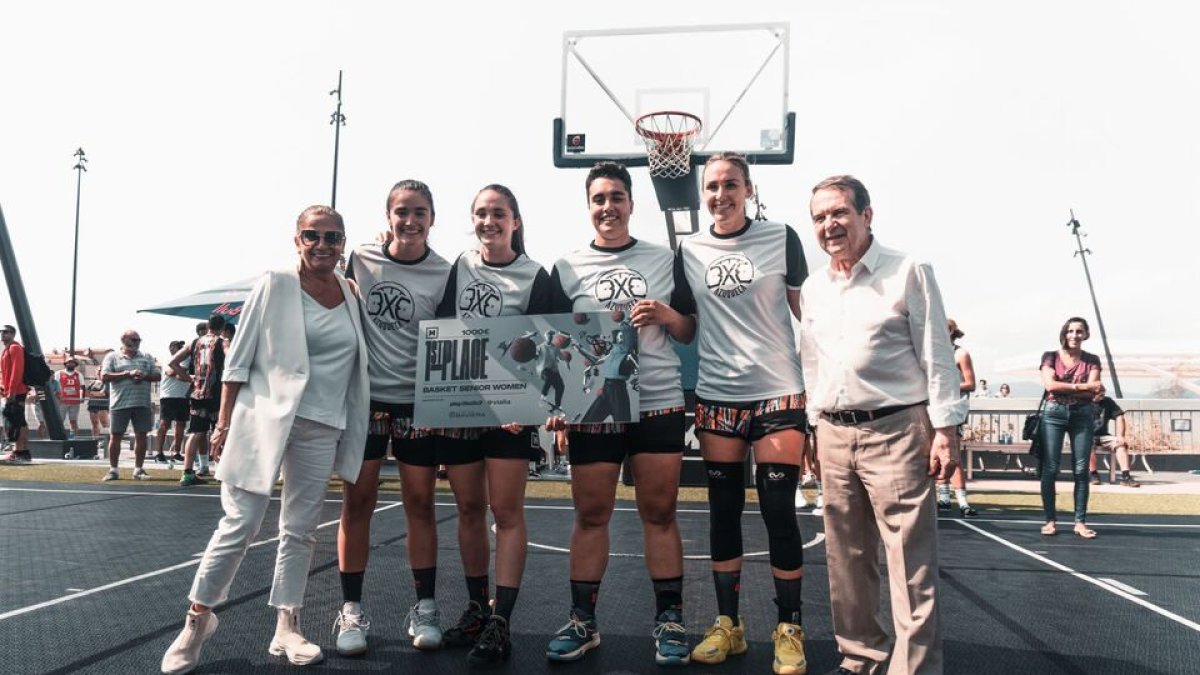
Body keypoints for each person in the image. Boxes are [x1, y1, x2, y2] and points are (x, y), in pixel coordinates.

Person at [160, 205, 369, 674]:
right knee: (240, 523)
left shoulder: (351, 292)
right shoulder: (274, 284)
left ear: (343, 244)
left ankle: (287, 625)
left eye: (332, 237)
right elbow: (238, 361)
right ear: (297, 240)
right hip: (263, 420)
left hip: (324, 424)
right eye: (312, 235)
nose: (322, 245)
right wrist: (223, 423)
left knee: (300, 530)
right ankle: (197, 620)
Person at [799, 174, 966, 675]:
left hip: (896, 430)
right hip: (833, 433)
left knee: (910, 564)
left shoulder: (908, 270)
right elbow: (812, 361)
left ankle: (913, 669)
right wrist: (814, 424)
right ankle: (861, 658)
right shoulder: (813, 287)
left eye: (839, 213)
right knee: (846, 560)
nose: (829, 225)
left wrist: (946, 430)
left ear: (866, 215)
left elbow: (937, 354)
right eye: (820, 217)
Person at [543, 161, 695, 667]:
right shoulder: (566, 266)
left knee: (660, 513)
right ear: (589, 206)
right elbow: (550, 340)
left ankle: (669, 621)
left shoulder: (664, 258)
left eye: (616, 197)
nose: (607, 207)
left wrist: (667, 315)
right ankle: (582, 621)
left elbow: (689, 329)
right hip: (595, 405)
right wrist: (556, 404)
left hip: (657, 399)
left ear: (631, 203)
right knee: (591, 514)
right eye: (599, 199)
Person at [674, 153, 809, 674]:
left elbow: (808, 314)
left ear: (749, 190)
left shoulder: (781, 237)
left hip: (778, 394)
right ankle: (728, 625)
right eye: (712, 186)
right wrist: (662, 314)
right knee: (723, 512)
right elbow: (687, 326)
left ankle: (789, 628)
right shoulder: (688, 249)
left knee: (778, 512)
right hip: (717, 397)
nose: (720, 194)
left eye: (731, 184)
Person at [427, 184, 552, 667]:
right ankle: (478, 609)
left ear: (515, 221)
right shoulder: (459, 266)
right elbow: (443, 332)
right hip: (461, 406)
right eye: (481, 213)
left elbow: (548, 347)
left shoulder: (535, 275)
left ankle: (502, 620)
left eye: (499, 213)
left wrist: (532, 403)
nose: (489, 221)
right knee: (467, 509)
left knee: (507, 511)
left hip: (509, 413)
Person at [334, 180, 452, 658]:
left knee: (420, 504)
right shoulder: (360, 259)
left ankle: (425, 607)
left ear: (432, 218)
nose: (410, 220)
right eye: (402, 211)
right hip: (365, 402)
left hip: (418, 404)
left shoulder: (445, 271)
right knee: (357, 503)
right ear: (388, 216)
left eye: (419, 212)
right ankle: (351, 609)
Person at [1038, 317, 1105, 539]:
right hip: (1053, 414)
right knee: (1050, 468)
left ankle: (1080, 522)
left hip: (1082, 414)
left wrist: (1068, 387)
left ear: (1085, 334)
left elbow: (1094, 390)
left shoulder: (1092, 360)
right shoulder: (1050, 356)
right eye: (1070, 331)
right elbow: (1051, 385)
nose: (1074, 335)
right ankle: (1050, 520)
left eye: (1079, 331)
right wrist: (1081, 386)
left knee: (1081, 469)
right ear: (1064, 333)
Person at [168, 315, 227, 486]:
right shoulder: (223, 342)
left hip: (198, 393)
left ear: (208, 325)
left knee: (196, 432)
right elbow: (232, 358)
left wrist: (190, 379)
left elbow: (173, 362)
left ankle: (187, 472)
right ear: (222, 327)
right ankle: (222, 471)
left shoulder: (194, 342)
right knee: (221, 431)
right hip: (217, 393)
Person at [100, 330, 160, 481]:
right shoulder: (112, 357)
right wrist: (128, 374)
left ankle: (138, 470)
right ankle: (113, 470)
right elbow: (104, 376)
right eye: (134, 339)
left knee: (141, 436)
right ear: (124, 340)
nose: (137, 342)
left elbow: (158, 375)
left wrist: (144, 376)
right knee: (116, 436)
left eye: (139, 340)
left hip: (142, 403)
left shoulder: (147, 357)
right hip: (119, 403)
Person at [936, 319, 978, 517]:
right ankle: (943, 497)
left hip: (953, 410)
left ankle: (962, 501)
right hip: (935, 408)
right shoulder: (933, 354)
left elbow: (970, 384)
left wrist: (944, 387)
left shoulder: (960, 354)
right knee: (937, 454)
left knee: (953, 454)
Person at [1088, 395, 1140, 487]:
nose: (1101, 396)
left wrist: (1120, 436)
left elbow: (1119, 416)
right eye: (1099, 393)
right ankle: (1093, 474)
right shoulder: (1083, 401)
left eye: (1102, 393)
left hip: (1103, 435)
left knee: (1120, 444)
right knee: (1087, 444)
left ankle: (1126, 476)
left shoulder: (1107, 401)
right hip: (1087, 435)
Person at [154, 341, 190, 464]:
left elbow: (179, 373)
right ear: (171, 348)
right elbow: (171, 372)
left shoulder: (186, 360)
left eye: (181, 347)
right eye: (178, 347)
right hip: (168, 395)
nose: (180, 349)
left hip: (183, 396)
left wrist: (180, 372)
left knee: (181, 425)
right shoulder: (167, 360)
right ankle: (159, 453)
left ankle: (176, 453)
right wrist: (182, 373)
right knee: (164, 424)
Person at [0, 324, 31, 463]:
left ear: (13, 334)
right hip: (10, 391)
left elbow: (16, 371)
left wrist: (11, 391)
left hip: (17, 391)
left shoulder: (15, 348)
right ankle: (22, 451)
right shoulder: (6, 350)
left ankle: (19, 452)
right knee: (19, 421)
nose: (2, 334)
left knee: (17, 421)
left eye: (6, 332)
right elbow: (5, 373)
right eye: (1, 332)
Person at [56, 358, 85, 438]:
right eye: (69, 362)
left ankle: (74, 438)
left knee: (73, 421)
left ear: (75, 364)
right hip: (62, 401)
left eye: (73, 363)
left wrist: (82, 397)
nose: (71, 364)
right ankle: (59, 436)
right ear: (65, 364)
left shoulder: (79, 374)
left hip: (74, 401)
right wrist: (57, 397)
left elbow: (82, 387)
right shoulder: (59, 373)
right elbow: (54, 385)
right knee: (60, 421)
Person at [86, 375, 110, 440]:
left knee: (104, 424)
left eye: (101, 371)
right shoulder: (93, 382)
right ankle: (94, 440)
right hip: (92, 405)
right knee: (94, 423)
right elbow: (86, 393)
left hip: (103, 405)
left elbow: (103, 393)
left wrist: (92, 393)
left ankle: (107, 441)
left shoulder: (107, 382)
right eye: (98, 371)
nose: (99, 373)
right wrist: (96, 393)